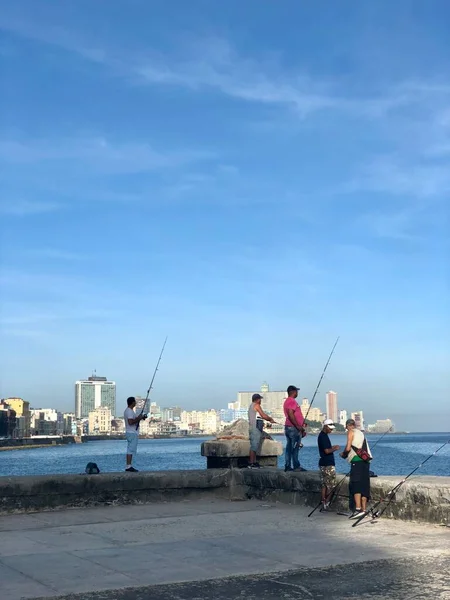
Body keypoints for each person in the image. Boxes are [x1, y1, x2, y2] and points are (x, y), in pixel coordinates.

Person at [340, 418, 372, 518]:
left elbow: (348, 448)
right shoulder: (361, 433)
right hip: (366, 462)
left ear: (348, 426)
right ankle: (364, 509)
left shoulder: (350, 432)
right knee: (364, 485)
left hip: (356, 461)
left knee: (356, 484)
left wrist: (343, 454)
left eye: (346, 427)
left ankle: (357, 509)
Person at [283, 385, 307, 472]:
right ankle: (296, 466)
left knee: (289, 447)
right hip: (293, 428)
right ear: (293, 392)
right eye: (296, 391)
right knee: (295, 448)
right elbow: (290, 413)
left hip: (290, 427)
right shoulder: (292, 401)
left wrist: (302, 424)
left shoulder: (287, 401)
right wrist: (298, 426)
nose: (297, 393)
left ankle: (288, 466)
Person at [317, 419, 340, 510]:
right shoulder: (323, 437)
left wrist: (332, 447)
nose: (331, 430)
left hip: (322, 463)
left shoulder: (322, 436)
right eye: (330, 429)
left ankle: (323, 502)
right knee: (331, 485)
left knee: (324, 484)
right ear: (325, 427)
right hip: (328, 463)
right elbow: (327, 451)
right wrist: (335, 448)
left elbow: (325, 448)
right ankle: (327, 503)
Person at [248, 393, 275, 469]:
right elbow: (263, 415)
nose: (261, 401)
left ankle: (253, 462)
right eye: (260, 399)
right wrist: (270, 419)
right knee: (254, 446)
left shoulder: (251, 406)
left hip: (252, 427)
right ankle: (252, 463)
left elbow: (258, 417)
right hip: (255, 428)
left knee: (253, 445)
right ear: (258, 399)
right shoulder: (256, 405)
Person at [124, 396, 147, 472]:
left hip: (131, 433)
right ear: (132, 402)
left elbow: (133, 420)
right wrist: (139, 418)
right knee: (130, 450)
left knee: (130, 449)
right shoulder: (129, 411)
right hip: (132, 433)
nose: (135, 403)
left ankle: (128, 465)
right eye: (135, 401)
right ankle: (128, 466)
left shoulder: (128, 411)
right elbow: (130, 422)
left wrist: (140, 417)